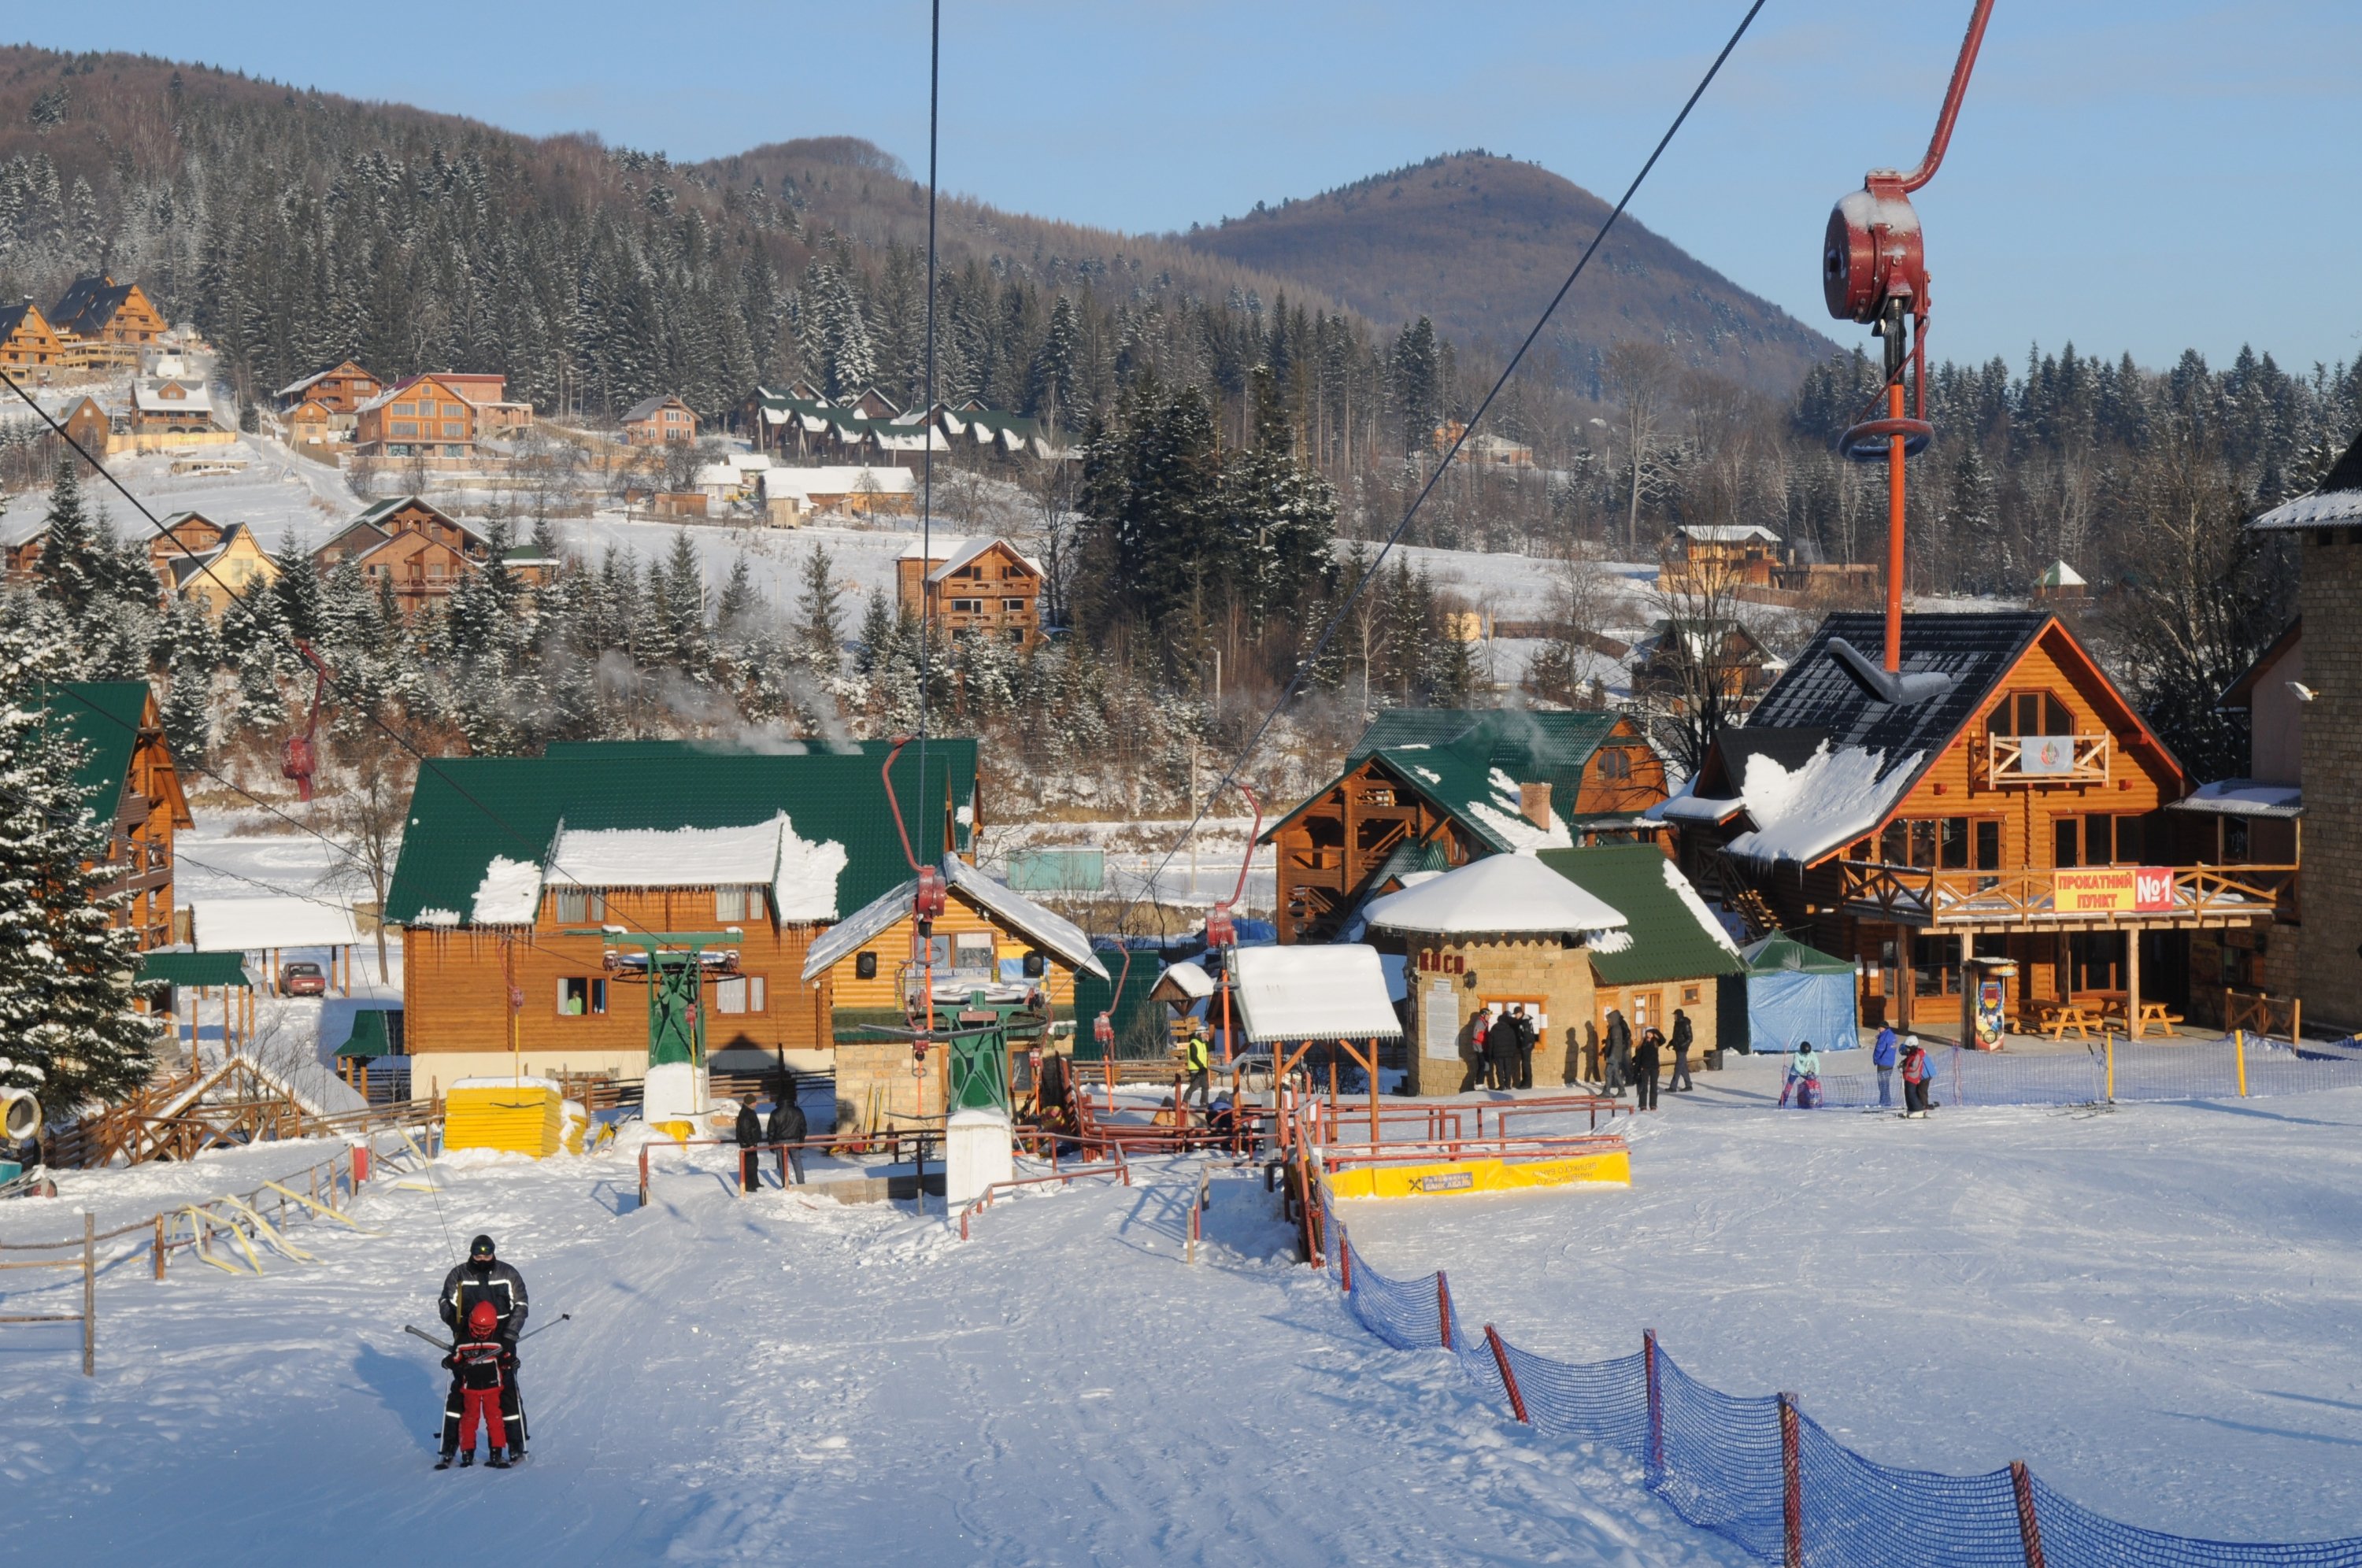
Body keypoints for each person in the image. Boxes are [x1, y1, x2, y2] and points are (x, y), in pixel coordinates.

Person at [439, 1234, 528, 1459]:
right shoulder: (459, 1274)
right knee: (460, 1392)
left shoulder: (508, 1274)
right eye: (477, 1254)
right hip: (468, 1338)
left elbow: (521, 1304)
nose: (482, 1258)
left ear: (493, 1253)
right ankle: (450, 1443)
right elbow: (444, 1301)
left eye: (486, 1254)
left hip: (501, 1338)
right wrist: (456, 1323)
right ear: (471, 1253)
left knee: (506, 1391)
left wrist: (509, 1335)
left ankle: (516, 1443)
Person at [439, 1300, 516, 1469]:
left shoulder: (497, 1342)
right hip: (470, 1389)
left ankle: (496, 1451)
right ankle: (468, 1452)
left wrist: (510, 1361)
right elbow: (457, 1358)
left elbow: (505, 1360)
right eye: (478, 1329)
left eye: (486, 1330)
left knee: (495, 1418)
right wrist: (450, 1362)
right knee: (469, 1419)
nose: (481, 1333)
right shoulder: (464, 1341)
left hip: (493, 1387)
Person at [767, 1078, 808, 1186]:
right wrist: (801, 1140)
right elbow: (803, 1127)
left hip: (780, 1142)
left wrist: (771, 1144)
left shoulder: (775, 1113)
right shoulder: (798, 1111)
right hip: (794, 1140)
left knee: (782, 1164)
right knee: (797, 1162)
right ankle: (801, 1183)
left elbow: (771, 1130)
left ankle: (785, 1184)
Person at [1181, 1022, 1212, 1113]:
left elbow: (1209, 1050)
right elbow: (1194, 1057)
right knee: (1194, 1086)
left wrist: (1207, 1042)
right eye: (1205, 1033)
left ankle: (1204, 1102)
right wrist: (1201, 1066)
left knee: (1205, 1086)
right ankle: (1185, 1102)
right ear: (1199, 1034)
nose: (1206, 1035)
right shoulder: (1193, 1043)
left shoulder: (1202, 1043)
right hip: (1196, 1069)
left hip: (1202, 1069)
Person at [735, 1095, 764, 1193]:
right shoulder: (745, 1114)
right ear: (749, 1103)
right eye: (754, 1102)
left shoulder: (749, 1112)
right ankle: (748, 1185)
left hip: (752, 1142)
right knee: (749, 1165)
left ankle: (755, 1182)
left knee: (754, 1162)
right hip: (748, 1143)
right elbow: (745, 1131)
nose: (756, 1103)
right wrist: (750, 1143)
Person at [1901, 1035, 1934, 1118]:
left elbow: (1919, 1066)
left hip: (1925, 1075)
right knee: (1915, 1091)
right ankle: (1917, 1108)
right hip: (1920, 1075)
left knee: (1921, 1090)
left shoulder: (1919, 1054)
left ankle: (1923, 1107)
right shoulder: (1914, 1053)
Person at [1784, 1041, 1823, 1110]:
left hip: (1806, 1072)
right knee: (1789, 1086)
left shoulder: (1812, 1054)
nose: (1807, 1054)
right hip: (1795, 1072)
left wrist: (1816, 1073)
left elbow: (1817, 1063)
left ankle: (1813, 1099)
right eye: (1805, 1053)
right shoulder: (1797, 1054)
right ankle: (1783, 1101)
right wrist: (1805, 1071)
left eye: (1808, 1053)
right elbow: (1797, 1066)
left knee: (1813, 1083)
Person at [1604, 1008, 1632, 1098]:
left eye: (1609, 1020)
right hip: (1614, 1055)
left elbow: (1616, 1043)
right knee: (1615, 1073)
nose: (1608, 1021)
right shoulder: (1614, 1028)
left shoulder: (1616, 1028)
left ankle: (1607, 1092)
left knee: (1608, 1072)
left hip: (1615, 1055)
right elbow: (1611, 1041)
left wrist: (1612, 1055)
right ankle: (1622, 1091)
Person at [1632, 1026, 1662, 1111]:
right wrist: (1637, 1069)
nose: (1649, 1034)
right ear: (1645, 1034)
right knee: (1644, 1087)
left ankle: (1653, 1105)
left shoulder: (1656, 1042)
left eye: (1651, 1033)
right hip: (1644, 1068)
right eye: (1648, 1033)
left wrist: (1656, 1031)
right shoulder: (1642, 1043)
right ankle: (1643, 1105)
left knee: (1654, 1087)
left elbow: (1663, 1040)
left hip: (1655, 1068)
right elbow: (1638, 1058)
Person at [1871, 1023, 1900, 1108]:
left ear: (1884, 1028)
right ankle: (1885, 1101)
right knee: (1885, 1083)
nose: (1878, 1030)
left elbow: (1879, 1050)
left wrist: (1876, 1059)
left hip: (1883, 1063)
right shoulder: (1892, 1035)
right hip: (1890, 1063)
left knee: (1883, 1083)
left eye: (1879, 1028)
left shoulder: (1884, 1037)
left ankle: (1885, 1102)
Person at [1668, 1009, 1695, 1093]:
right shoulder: (1677, 1024)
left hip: (1682, 1049)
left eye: (1675, 1015)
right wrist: (1670, 1043)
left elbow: (1690, 1038)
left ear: (1679, 1015)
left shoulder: (1685, 1024)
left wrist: (1682, 1045)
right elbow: (1677, 1036)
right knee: (1683, 1067)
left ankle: (1673, 1087)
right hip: (1677, 1048)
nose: (1674, 1017)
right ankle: (1689, 1085)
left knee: (1678, 1067)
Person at [1509, 1004, 1536, 1090]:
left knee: (1526, 1064)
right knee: (1524, 1064)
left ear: (1520, 1013)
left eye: (1516, 1014)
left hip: (1527, 1046)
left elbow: (1527, 1035)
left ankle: (1528, 1083)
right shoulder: (1523, 1020)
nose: (1515, 1016)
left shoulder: (1525, 1022)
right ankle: (1525, 1081)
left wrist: (1525, 1046)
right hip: (1526, 1045)